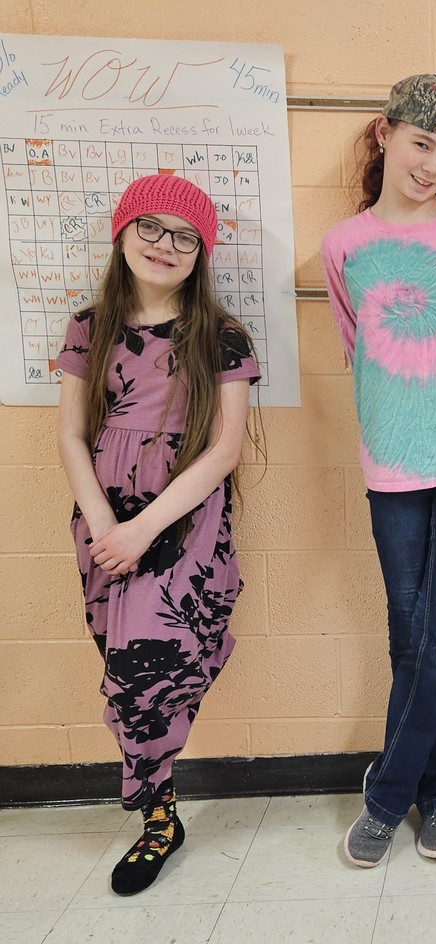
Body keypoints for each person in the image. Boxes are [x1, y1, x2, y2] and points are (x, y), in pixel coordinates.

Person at [320, 74, 436, 868]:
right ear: (384, 134)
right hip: (392, 463)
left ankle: (386, 795)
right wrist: (392, 423)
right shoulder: (343, 247)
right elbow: (353, 345)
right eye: (421, 143)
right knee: (410, 640)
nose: (432, 164)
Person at [55, 173, 261, 896]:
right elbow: (73, 438)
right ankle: (163, 810)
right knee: (124, 664)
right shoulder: (89, 327)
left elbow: (225, 449)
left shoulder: (222, 336)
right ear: (122, 233)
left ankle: (153, 818)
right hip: (104, 525)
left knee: (151, 665)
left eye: (185, 236)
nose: (165, 246)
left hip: (183, 525)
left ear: (202, 252)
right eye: (151, 227)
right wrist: (109, 526)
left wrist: (145, 527)